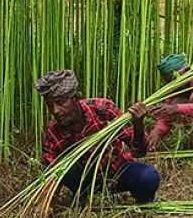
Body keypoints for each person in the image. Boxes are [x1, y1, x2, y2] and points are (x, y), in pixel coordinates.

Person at [36, 69, 160, 204]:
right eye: (50, 105)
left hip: (115, 172)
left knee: (148, 177)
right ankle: (84, 197)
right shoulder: (53, 133)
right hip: (84, 182)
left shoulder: (103, 109)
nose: (55, 110)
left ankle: (144, 199)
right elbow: (52, 174)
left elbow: (139, 152)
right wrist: (46, 202)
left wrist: (138, 125)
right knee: (64, 164)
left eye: (60, 103)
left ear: (76, 98)